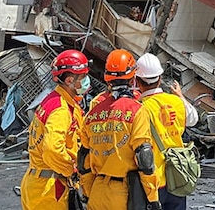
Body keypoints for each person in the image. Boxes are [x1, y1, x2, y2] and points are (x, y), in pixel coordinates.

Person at [80, 49, 161, 210]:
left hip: (97, 190)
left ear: (107, 79)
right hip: (124, 193)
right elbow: (144, 157)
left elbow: (83, 159)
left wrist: (88, 193)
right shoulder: (136, 110)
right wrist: (153, 198)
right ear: (133, 78)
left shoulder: (93, 113)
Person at [21, 49, 90, 210]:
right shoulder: (61, 110)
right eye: (83, 77)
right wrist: (71, 170)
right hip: (50, 190)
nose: (86, 81)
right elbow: (52, 149)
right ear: (70, 80)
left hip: (39, 184)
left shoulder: (53, 100)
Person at [135, 53, 198, 210]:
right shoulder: (176, 102)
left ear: (137, 81)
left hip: (153, 181)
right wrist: (181, 96)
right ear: (160, 78)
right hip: (177, 175)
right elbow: (193, 119)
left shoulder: (139, 108)